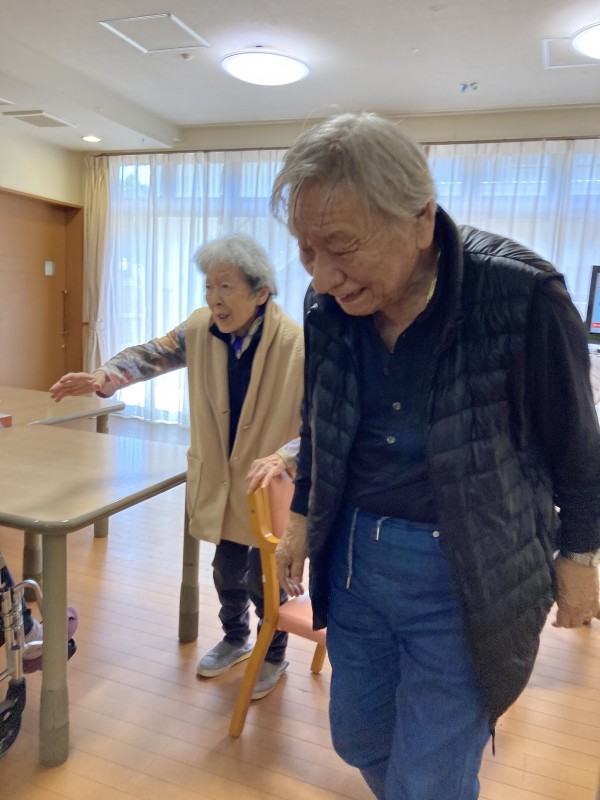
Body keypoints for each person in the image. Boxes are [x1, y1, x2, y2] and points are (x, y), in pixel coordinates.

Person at [256, 113, 600, 800]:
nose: (322, 275)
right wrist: (300, 517)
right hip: (353, 559)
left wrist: (581, 556)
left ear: (419, 221)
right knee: (357, 736)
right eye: (306, 250)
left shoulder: (522, 295)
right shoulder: (328, 307)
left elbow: (577, 443)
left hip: (468, 567)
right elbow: (324, 424)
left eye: (342, 247)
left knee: (429, 780)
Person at [49, 234, 304, 699]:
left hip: (268, 485)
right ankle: (236, 638)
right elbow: (150, 354)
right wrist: (104, 376)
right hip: (223, 478)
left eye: (226, 287)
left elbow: (325, 425)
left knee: (265, 578)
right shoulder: (199, 328)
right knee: (226, 569)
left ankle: (273, 653)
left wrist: (286, 456)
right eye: (208, 287)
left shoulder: (299, 345)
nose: (214, 299)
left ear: (261, 292)